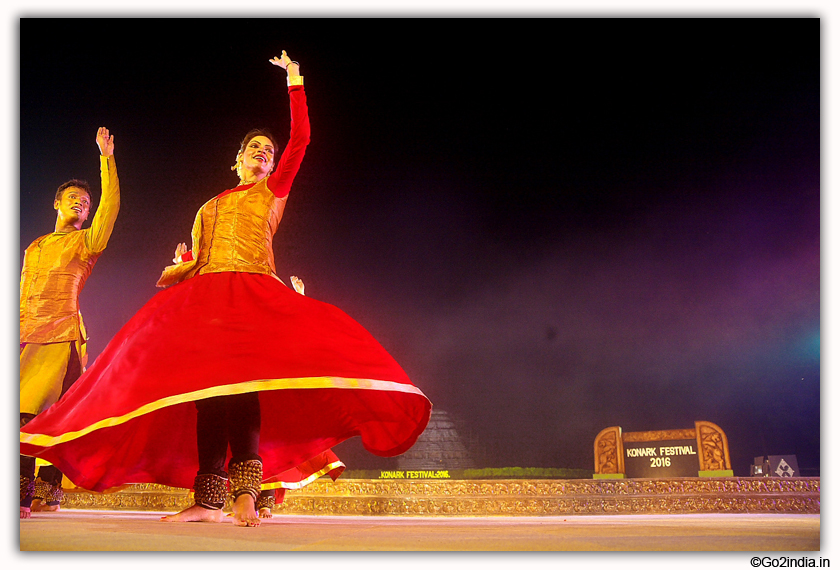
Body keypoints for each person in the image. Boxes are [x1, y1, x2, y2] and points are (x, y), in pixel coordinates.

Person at [20, 52, 431, 527]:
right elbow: (202, 258)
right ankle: (208, 499)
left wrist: (296, 83)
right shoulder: (209, 205)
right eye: (254, 149)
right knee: (206, 395)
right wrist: (182, 267)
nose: (262, 154)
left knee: (243, 392)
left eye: (268, 153)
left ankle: (247, 495)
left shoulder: (271, 193)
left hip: (252, 296)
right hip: (207, 302)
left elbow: (301, 140)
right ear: (236, 159)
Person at [19, 127, 120, 519]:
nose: (81, 203)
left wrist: (106, 160)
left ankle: (21, 497)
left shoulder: (87, 242)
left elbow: (110, 209)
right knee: (48, 417)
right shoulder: (36, 246)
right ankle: (49, 494)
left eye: (86, 201)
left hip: (60, 336)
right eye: (74, 198)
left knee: (28, 414)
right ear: (57, 203)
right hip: (26, 336)